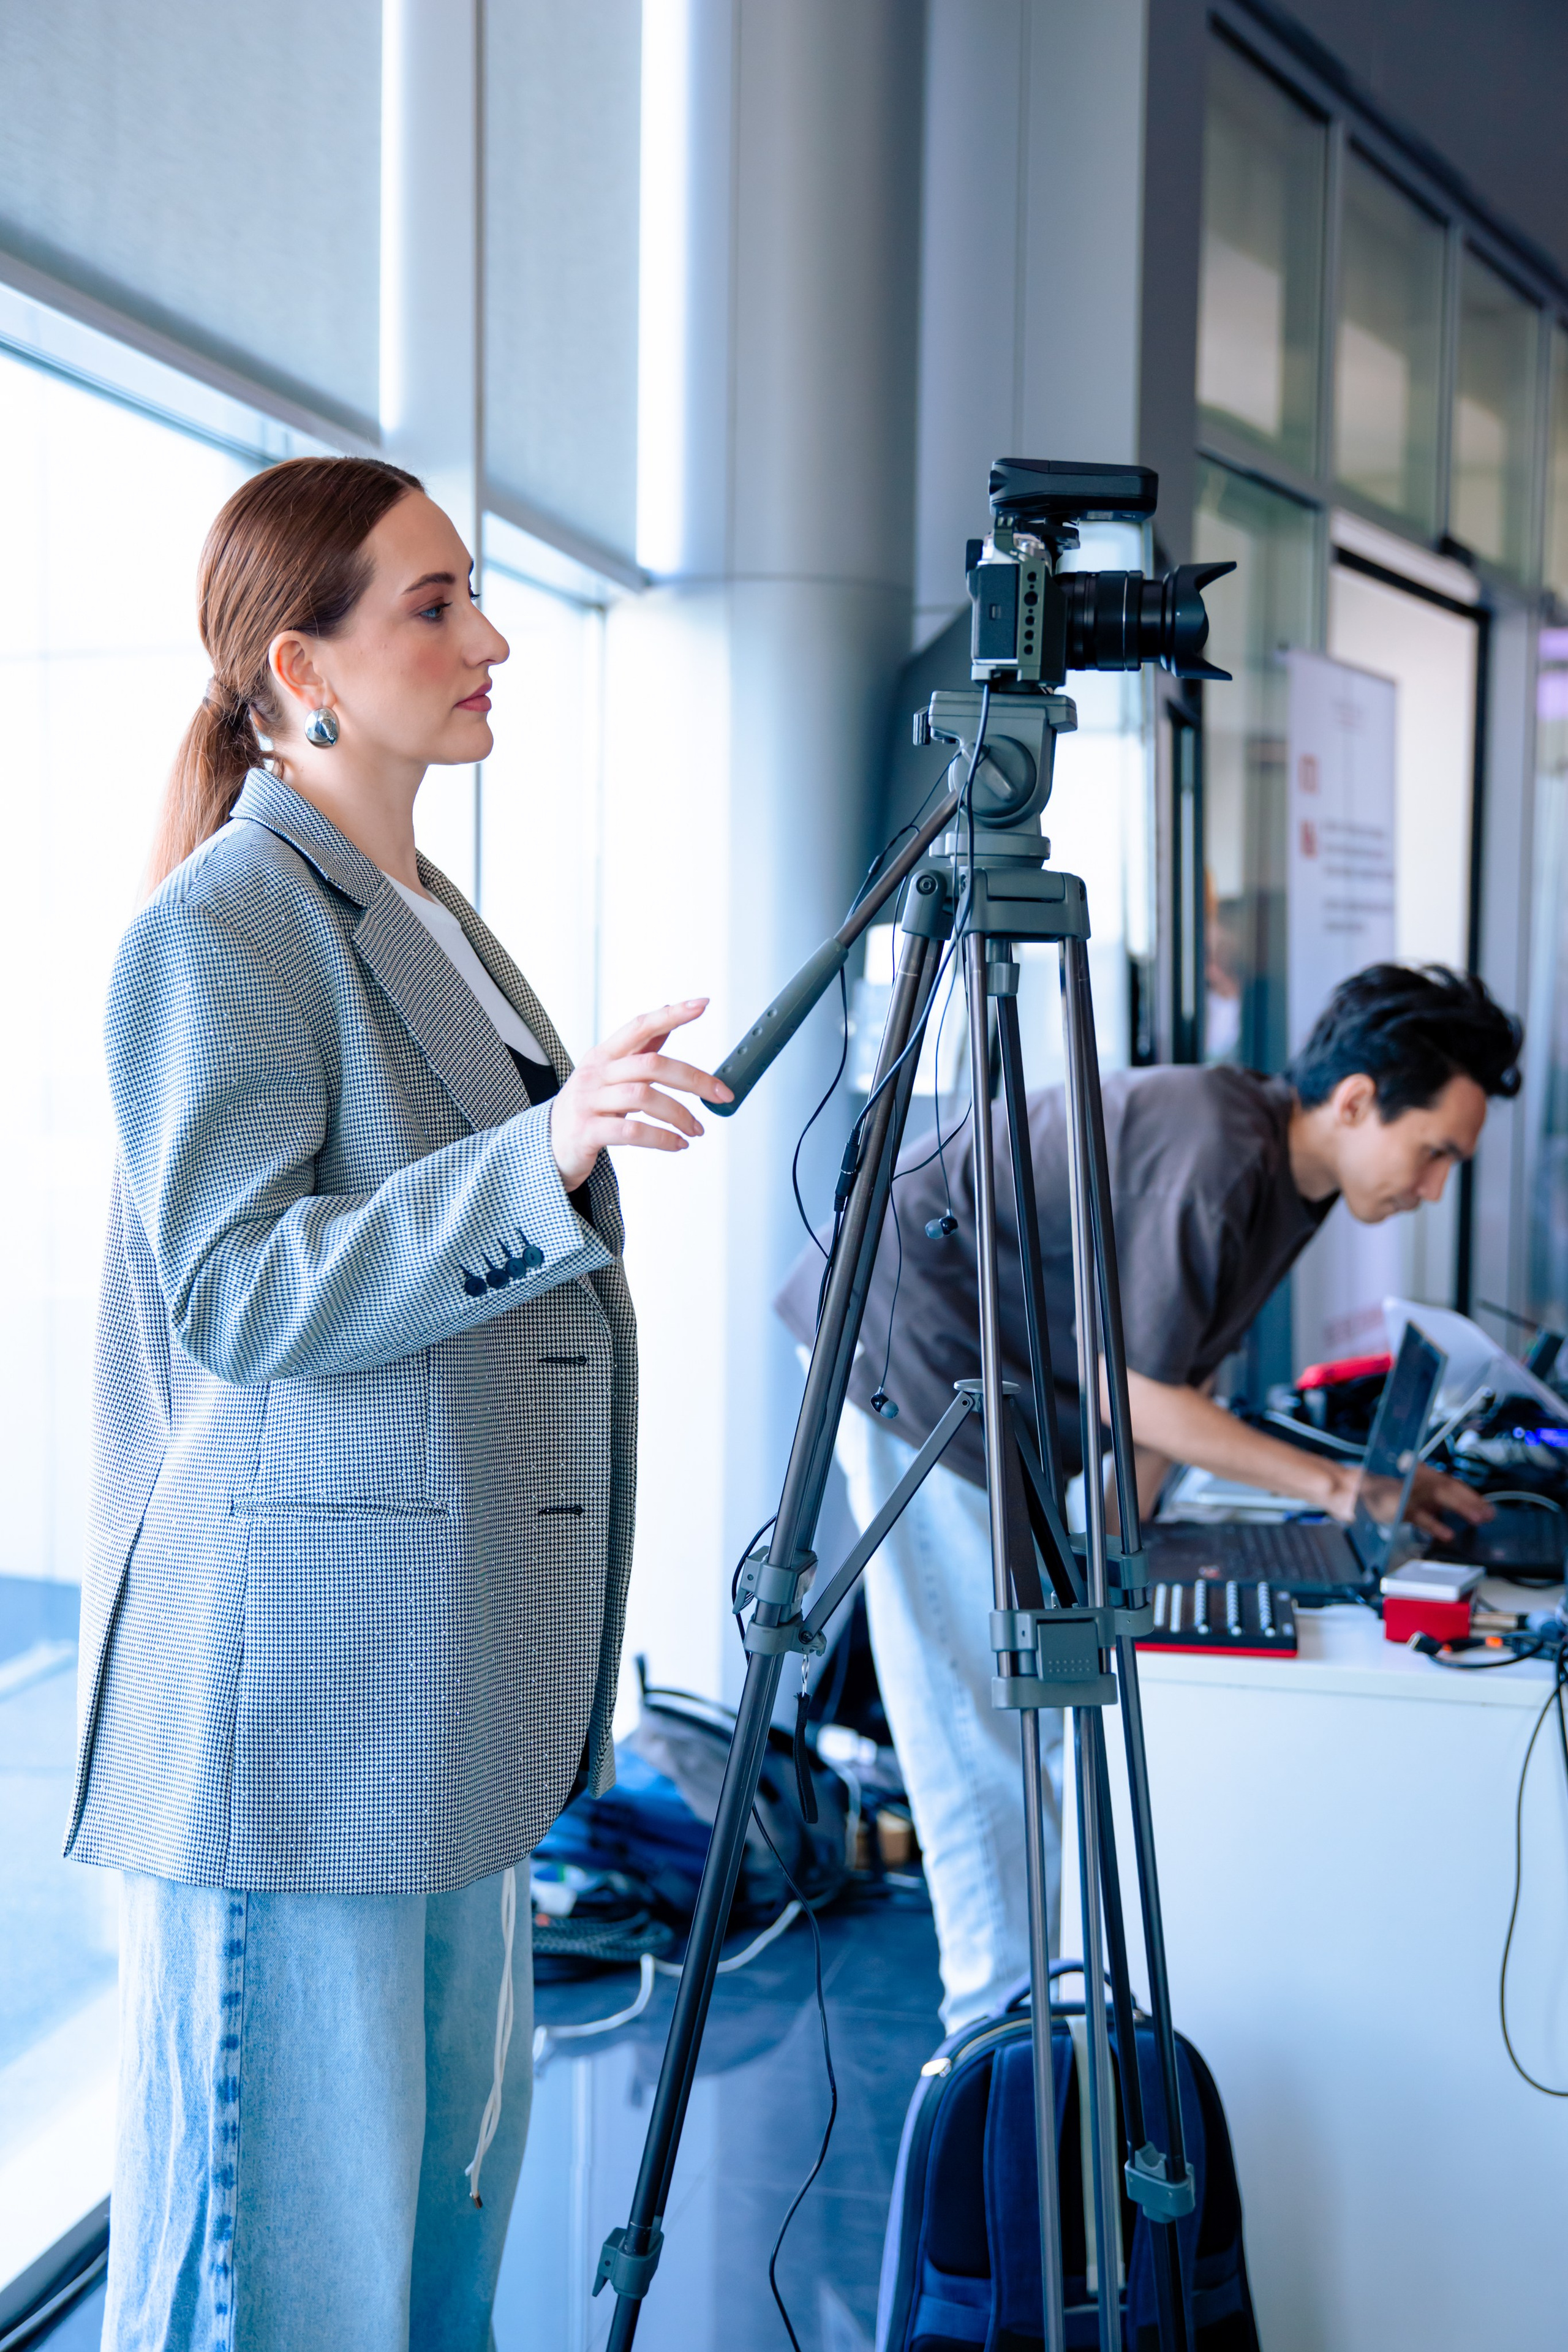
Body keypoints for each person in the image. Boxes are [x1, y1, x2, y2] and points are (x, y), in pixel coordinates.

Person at [69, 456, 729, 2351]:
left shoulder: (420, 913)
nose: (491, 638)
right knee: (281, 2283)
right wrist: (545, 1155)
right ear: (307, 669)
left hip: (440, 1705)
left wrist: (555, 1145)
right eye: (436, 605)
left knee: (424, 2255)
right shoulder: (221, 929)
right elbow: (236, 1290)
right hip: (304, 1724)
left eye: (475, 595)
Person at [776, 963, 1523, 2031]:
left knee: (1044, 1704)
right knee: (974, 1721)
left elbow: (1171, 1390)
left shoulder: (1290, 1182)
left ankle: (1052, 2004)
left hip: (1005, 1394)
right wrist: (1338, 1487)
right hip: (915, 1357)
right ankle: (996, 2038)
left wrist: (1112, 1558)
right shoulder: (1218, 1150)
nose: (1435, 1188)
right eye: (1436, 1152)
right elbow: (1132, 1394)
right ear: (1358, 1102)